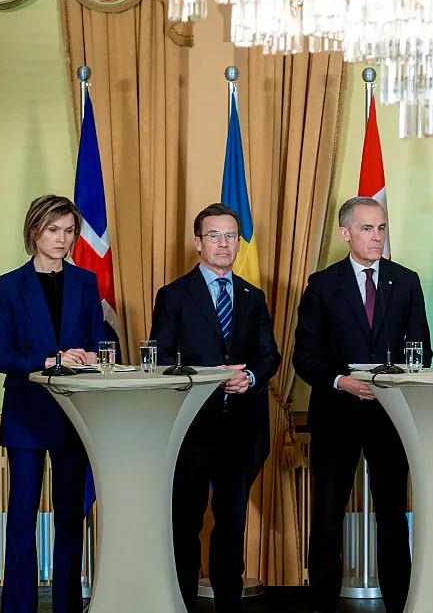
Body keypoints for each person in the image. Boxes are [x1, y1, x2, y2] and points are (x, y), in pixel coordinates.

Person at [293, 196, 432, 613]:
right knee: (328, 515)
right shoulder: (322, 284)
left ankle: (400, 603)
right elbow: (305, 356)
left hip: (390, 416)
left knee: (392, 515)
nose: (377, 237)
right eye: (368, 228)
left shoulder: (405, 281)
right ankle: (321, 603)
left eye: (382, 228)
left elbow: (421, 351)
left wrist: (392, 379)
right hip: (336, 414)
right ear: (345, 233)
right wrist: (342, 382)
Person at [151, 203, 281, 613]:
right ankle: (182, 604)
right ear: (197, 243)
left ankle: (229, 604)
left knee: (231, 527)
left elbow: (268, 356)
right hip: (191, 430)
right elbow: (161, 359)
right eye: (214, 236)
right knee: (185, 527)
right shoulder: (173, 295)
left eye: (231, 236)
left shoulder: (252, 296)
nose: (224, 244)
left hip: (241, 432)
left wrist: (251, 378)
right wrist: (208, 377)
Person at [0, 194, 105, 613]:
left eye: (70, 230)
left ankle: (67, 607)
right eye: (54, 229)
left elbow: (97, 344)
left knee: (70, 517)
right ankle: (17, 608)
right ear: (34, 231)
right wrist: (49, 359)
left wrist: (94, 356)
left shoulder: (85, 283)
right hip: (26, 412)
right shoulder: (8, 285)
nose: (63, 238)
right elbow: (2, 357)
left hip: (74, 413)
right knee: (21, 517)